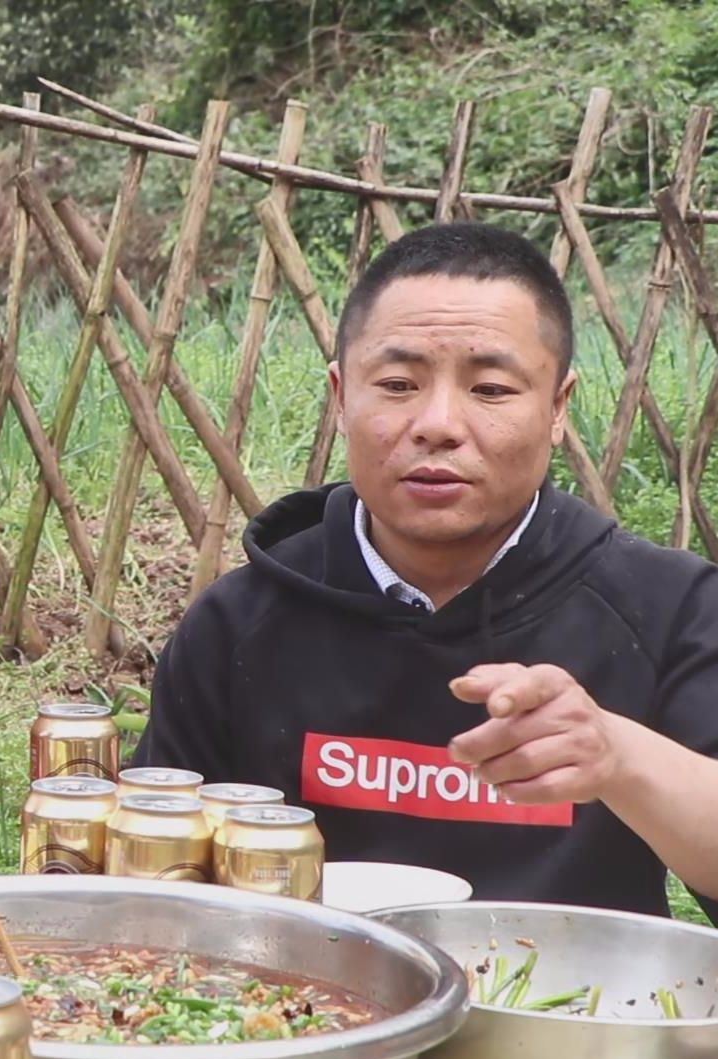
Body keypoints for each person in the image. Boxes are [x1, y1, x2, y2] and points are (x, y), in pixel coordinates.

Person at [133, 222, 718, 919]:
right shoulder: (238, 621)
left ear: (558, 408)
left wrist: (619, 757)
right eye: (399, 383)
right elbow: (150, 882)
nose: (438, 423)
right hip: (302, 1011)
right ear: (342, 395)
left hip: (567, 1014)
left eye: (492, 389)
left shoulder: (670, 608)